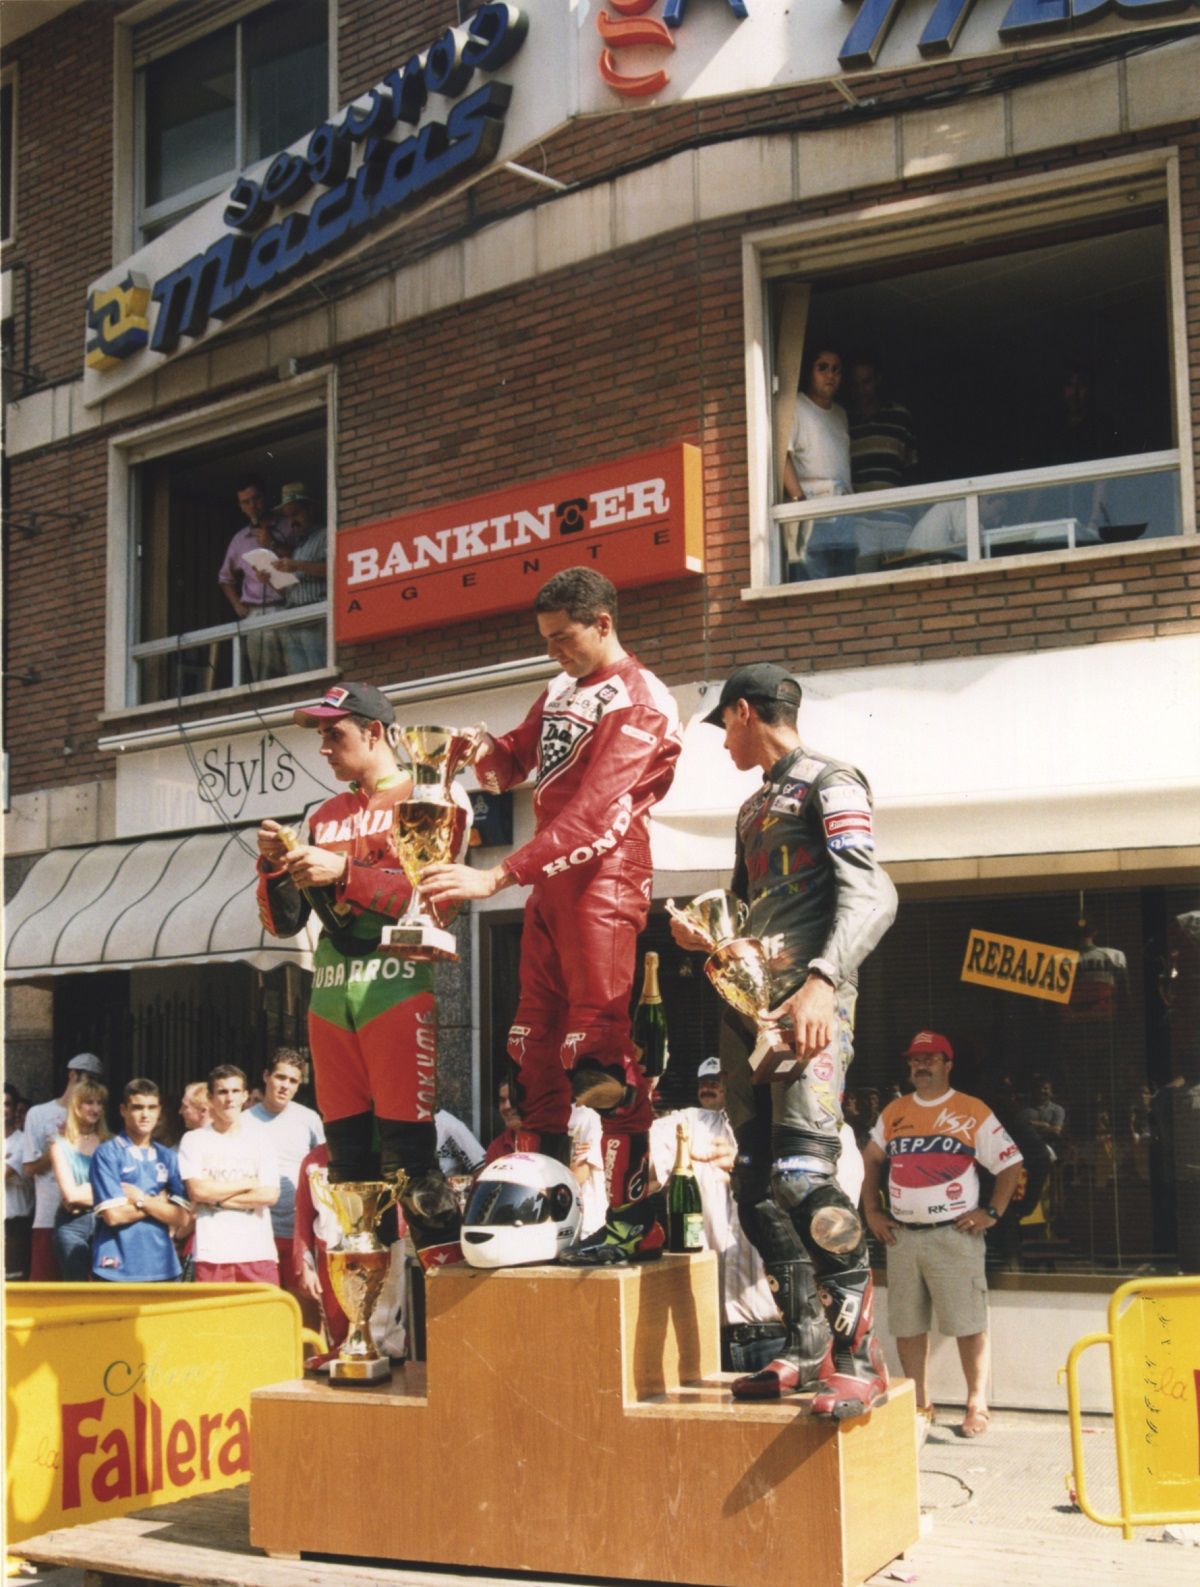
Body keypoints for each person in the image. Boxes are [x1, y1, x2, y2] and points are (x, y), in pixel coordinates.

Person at [666, 663, 897, 1419]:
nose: (721, 742)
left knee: (804, 1175)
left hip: (809, 1005)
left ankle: (859, 1358)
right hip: (749, 1010)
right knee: (756, 1184)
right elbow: (743, 907)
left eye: (721, 727)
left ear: (742, 713)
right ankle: (805, 1347)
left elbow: (874, 889)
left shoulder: (831, 780)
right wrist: (705, 933)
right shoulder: (751, 806)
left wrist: (825, 981)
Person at [422, 567, 682, 1220]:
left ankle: (627, 1220)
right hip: (552, 883)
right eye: (545, 640)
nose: (553, 651)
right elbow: (511, 760)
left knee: (600, 1056)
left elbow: (598, 813)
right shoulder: (563, 686)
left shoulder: (642, 697)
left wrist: (496, 875)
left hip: (605, 875)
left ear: (603, 623)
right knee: (533, 1048)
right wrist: (476, 750)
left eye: (563, 637)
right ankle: (541, 1204)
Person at [257, 681, 470, 1269]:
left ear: (374, 732)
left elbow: (437, 900)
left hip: (396, 992)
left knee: (411, 1165)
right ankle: (367, 1334)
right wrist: (274, 868)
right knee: (347, 1166)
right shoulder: (321, 815)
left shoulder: (430, 794)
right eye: (321, 734)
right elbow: (285, 922)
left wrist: (344, 872)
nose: (324, 746)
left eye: (335, 732)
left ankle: (444, 1323)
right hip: (328, 998)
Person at [861, 1031, 1024, 1438]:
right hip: (902, 1237)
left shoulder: (971, 1109)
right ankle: (919, 1405)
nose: (921, 1066)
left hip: (954, 1233)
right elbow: (870, 1160)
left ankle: (976, 1403)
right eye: (915, 1059)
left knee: (968, 1322)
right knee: (907, 1325)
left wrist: (992, 1212)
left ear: (947, 1065)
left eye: (931, 1059)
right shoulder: (894, 1111)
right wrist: (872, 1211)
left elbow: (1010, 1163)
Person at [649, 1059, 785, 1372]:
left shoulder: (798, 1136)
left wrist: (754, 1172)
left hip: (778, 1339)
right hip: (701, 1335)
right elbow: (641, 1174)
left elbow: (824, 1226)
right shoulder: (691, 1124)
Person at [178, 1066, 280, 1284]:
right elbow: (197, 1191)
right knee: (215, 1318)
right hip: (213, 1254)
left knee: (262, 1318)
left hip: (257, 1252)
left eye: (235, 1092)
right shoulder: (194, 1140)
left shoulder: (262, 1139)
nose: (229, 1099)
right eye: (222, 1092)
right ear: (210, 1097)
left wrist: (216, 1198)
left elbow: (269, 1195)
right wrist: (247, 1183)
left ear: (245, 1096)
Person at [249, 1049, 326, 1328]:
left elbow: (323, 1172)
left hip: (298, 1234)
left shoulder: (309, 1120)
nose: (285, 1085)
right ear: (266, 1077)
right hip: (258, 1232)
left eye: (293, 1081)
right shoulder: (244, 1121)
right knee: (265, 1310)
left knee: (306, 1308)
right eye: (280, 1077)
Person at [92, 1080, 192, 1282]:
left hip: (163, 1265)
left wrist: (141, 1200)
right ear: (123, 1110)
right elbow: (114, 1215)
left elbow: (182, 1218)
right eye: (137, 1107)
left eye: (151, 1107)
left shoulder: (169, 1157)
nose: (145, 1114)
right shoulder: (107, 1153)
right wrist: (159, 1203)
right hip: (116, 1267)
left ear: (159, 1111)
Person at [22, 1053, 105, 1281]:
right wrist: (59, 1146)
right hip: (50, 1214)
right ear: (72, 1075)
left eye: (97, 1080)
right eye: (88, 1077)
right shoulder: (39, 1114)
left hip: (96, 1217)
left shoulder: (100, 1128)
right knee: (46, 1287)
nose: (92, 1085)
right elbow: (28, 1169)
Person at [781, 347, 855, 581]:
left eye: (836, 370)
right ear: (808, 372)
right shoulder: (796, 407)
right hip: (814, 512)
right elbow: (781, 456)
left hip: (844, 511)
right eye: (822, 368)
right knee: (814, 586)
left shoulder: (841, 414)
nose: (830, 375)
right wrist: (799, 502)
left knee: (845, 586)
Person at [217, 472, 298, 681]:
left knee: (294, 669)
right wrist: (236, 604)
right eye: (246, 502)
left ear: (265, 498)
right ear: (241, 507)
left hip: (287, 604)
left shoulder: (286, 526)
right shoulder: (239, 539)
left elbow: (300, 555)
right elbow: (225, 578)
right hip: (256, 611)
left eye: (256, 499)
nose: (253, 506)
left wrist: (272, 544)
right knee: (264, 675)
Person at [50, 1080, 110, 1281]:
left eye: (100, 1103)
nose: (96, 1108)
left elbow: (123, 1190)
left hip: (107, 1220)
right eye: (89, 1102)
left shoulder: (110, 1143)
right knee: (75, 1285)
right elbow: (71, 1195)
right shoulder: (59, 1146)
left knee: (107, 1284)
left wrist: (84, 1190)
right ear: (76, 1107)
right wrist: (105, 1191)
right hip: (72, 1225)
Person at [269, 481, 327, 676]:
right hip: (293, 620)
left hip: (314, 618)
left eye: (296, 514)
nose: (292, 521)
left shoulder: (324, 536)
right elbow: (289, 590)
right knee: (299, 682)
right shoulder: (298, 547)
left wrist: (297, 565)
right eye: (288, 517)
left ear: (309, 510)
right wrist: (270, 578)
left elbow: (333, 570)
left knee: (319, 676)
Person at [846, 355, 918, 492]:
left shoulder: (900, 417)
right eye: (855, 384)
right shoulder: (844, 421)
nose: (861, 389)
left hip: (897, 508)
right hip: (856, 510)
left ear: (878, 380)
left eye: (866, 382)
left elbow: (912, 469)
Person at [5, 1084, 34, 1279]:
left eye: (6, 1104)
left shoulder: (24, 1141)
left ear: (14, 1109)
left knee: (12, 1284)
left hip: (14, 1227)